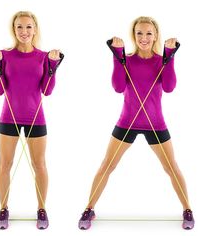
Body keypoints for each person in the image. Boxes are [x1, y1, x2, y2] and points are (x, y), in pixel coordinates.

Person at [78, 16, 194, 230]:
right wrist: (117, 57)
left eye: (149, 33)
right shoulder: (127, 59)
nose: (144, 38)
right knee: (107, 165)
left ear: (155, 35)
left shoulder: (162, 59)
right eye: (139, 33)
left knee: (171, 167)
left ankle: (187, 209)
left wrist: (169, 57)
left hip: (155, 124)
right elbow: (118, 87)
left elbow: (169, 87)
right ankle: (89, 208)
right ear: (134, 35)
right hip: (127, 122)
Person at [0, 11, 61, 230]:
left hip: (36, 117)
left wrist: (53, 67)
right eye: (20, 27)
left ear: (35, 29)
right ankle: (3, 208)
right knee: (4, 164)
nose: (24, 31)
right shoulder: (3, 55)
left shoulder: (44, 56)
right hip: (8, 117)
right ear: (14, 29)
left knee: (40, 164)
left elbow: (47, 90)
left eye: (28, 27)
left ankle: (41, 209)